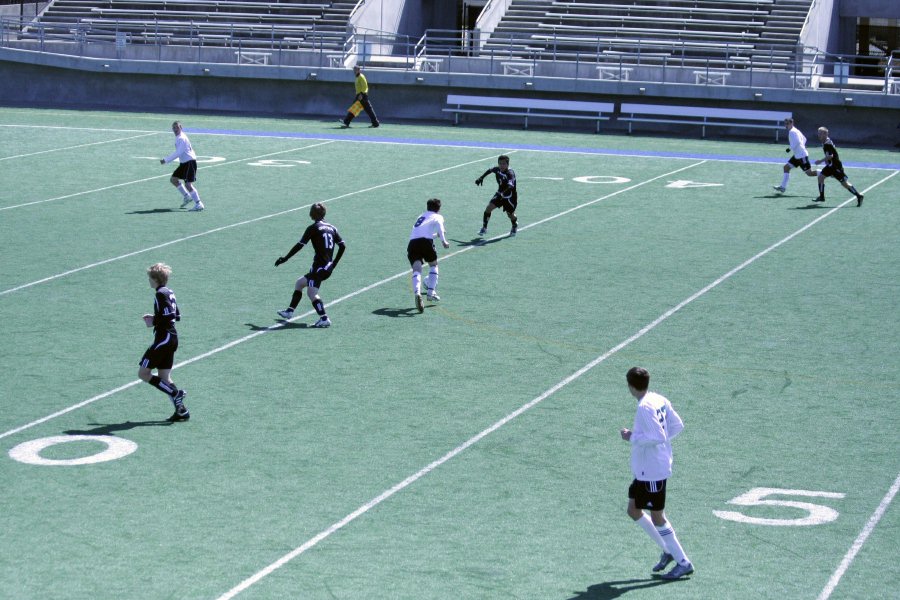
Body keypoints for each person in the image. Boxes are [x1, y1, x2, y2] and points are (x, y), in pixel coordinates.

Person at [619, 367, 693, 580]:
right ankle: (668, 551)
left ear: (631, 386)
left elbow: (658, 437)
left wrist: (632, 437)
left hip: (652, 472)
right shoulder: (659, 399)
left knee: (657, 517)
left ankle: (683, 561)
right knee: (633, 510)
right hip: (645, 470)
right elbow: (677, 426)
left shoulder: (644, 407)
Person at [275, 202, 346, 328]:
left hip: (319, 268)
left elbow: (300, 245)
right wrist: (333, 263)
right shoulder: (332, 228)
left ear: (312, 214)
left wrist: (285, 258)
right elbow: (342, 245)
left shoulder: (313, 228)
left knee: (311, 293)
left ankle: (324, 318)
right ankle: (289, 311)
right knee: (300, 283)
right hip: (326, 267)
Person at [138, 263, 190, 422]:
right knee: (164, 377)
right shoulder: (169, 291)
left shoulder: (160, 293)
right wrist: (155, 318)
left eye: (150, 278)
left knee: (143, 373)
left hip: (164, 339)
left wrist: (153, 321)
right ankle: (181, 411)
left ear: (155, 279)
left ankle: (175, 393)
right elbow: (176, 315)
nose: (149, 280)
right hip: (172, 337)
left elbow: (168, 316)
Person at [408, 198, 450, 312]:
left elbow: (423, 233)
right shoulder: (438, 216)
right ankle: (431, 292)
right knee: (433, 265)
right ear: (439, 209)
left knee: (416, 269)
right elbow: (440, 227)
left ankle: (417, 293)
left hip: (412, 243)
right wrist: (443, 241)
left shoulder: (421, 216)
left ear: (427, 207)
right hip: (426, 242)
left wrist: (436, 235)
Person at [813, 127, 864, 207]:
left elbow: (830, 155)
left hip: (835, 167)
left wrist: (820, 161)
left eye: (820, 133)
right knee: (820, 177)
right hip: (830, 166)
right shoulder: (825, 141)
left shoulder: (827, 144)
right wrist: (827, 162)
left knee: (844, 184)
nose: (818, 135)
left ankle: (859, 196)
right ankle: (822, 197)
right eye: (818, 133)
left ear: (825, 134)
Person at [160, 121, 204, 211]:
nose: (175, 130)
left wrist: (166, 160)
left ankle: (199, 203)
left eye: (177, 127)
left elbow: (178, 153)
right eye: (174, 128)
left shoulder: (181, 138)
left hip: (189, 163)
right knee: (173, 179)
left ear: (181, 127)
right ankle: (187, 196)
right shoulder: (178, 137)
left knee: (188, 185)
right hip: (184, 163)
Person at [475, 155, 518, 237]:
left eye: (504, 164)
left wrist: (502, 194)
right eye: (500, 163)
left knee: (510, 215)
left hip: (510, 197)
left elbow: (510, 186)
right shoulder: (497, 169)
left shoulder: (510, 173)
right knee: (488, 208)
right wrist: (481, 178)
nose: (501, 165)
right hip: (500, 194)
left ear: (508, 164)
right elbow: (490, 170)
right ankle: (484, 228)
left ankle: (514, 224)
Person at [773, 117, 817, 194]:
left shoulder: (792, 132)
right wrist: (802, 146)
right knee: (786, 167)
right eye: (785, 124)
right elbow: (804, 139)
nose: (786, 125)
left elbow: (797, 142)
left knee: (809, 173)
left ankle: (827, 173)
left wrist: (789, 149)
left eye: (787, 123)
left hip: (802, 156)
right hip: (797, 156)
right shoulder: (796, 130)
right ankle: (783, 187)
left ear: (791, 123)